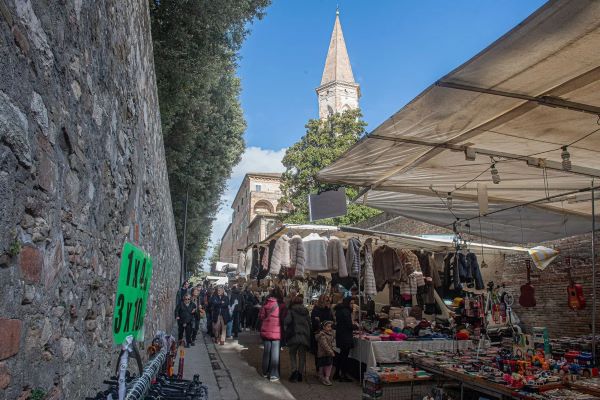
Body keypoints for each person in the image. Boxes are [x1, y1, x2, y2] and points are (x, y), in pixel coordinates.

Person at [259, 287, 287, 382]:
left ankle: (265, 371)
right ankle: (273, 374)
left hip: (266, 330)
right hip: (276, 332)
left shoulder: (266, 303)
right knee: (275, 354)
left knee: (266, 352)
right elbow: (284, 319)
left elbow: (261, 316)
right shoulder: (282, 305)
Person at [284, 295, 311, 382]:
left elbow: (287, 321)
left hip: (294, 335)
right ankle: (300, 374)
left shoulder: (291, 311)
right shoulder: (306, 311)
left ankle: (294, 372)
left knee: (292, 354)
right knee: (302, 356)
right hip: (304, 336)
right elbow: (309, 324)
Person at [333, 296, 355, 382]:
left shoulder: (339, 309)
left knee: (341, 355)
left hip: (341, 334)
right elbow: (348, 325)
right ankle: (343, 375)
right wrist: (356, 326)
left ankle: (337, 373)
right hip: (345, 335)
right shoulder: (346, 311)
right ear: (347, 303)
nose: (352, 305)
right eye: (351, 303)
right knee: (344, 356)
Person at [310, 294, 333, 369]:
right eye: (326, 300)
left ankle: (324, 371)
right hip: (319, 334)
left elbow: (331, 320)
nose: (328, 302)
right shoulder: (316, 309)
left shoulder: (328, 309)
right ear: (322, 300)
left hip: (328, 333)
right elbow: (314, 322)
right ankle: (319, 370)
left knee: (326, 351)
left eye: (328, 300)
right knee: (319, 352)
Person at [316, 321, 336, 386]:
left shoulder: (331, 334)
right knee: (322, 365)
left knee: (329, 365)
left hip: (329, 353)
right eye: (328, 327)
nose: (330, 328)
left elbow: (332, 343)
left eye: (330, 326)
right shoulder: (322, 335)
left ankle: (327, 378)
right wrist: (331, 351)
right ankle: (321, 377)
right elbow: (325, 345)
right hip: (323, 353)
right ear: (324, 327)